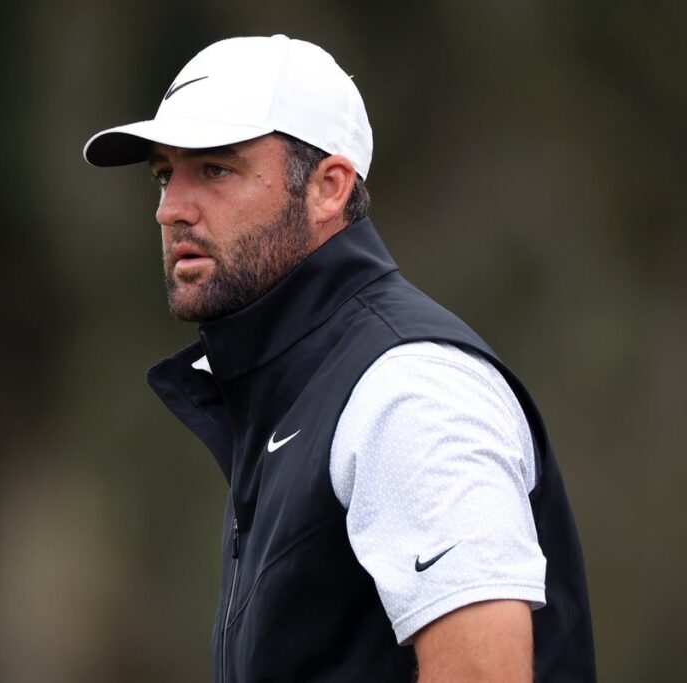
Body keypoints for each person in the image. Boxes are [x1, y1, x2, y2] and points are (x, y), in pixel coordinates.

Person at [83, 34, 595, 682]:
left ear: (329, 188)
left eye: (214, 169)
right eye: (165, 175)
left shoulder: (409, 389)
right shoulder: (294, 389)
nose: (170, 209)